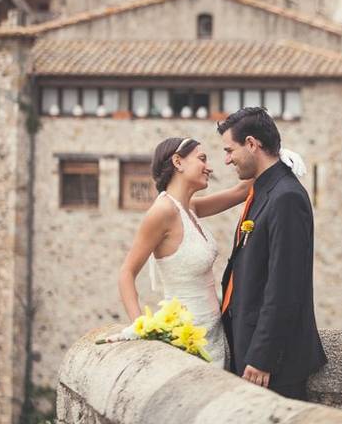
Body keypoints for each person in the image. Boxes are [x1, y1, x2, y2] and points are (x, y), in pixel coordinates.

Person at [217, 107, 326, 400]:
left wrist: (263, 356)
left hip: (271, 365)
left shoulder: (286, 196)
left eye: (230, 150)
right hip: (248, 349)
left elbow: (285, 285)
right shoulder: (267, 189)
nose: (227, 160)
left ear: (252, 144)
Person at [118, 137, 251, 369]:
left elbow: (241, 191)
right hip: (185, 339)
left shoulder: (192, 208)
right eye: (202, 159)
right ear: (178, 162)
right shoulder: (162, 212)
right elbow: (126, 272)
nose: (209, 167)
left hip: (214, 334)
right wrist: (141, 326)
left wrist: (276, 158)